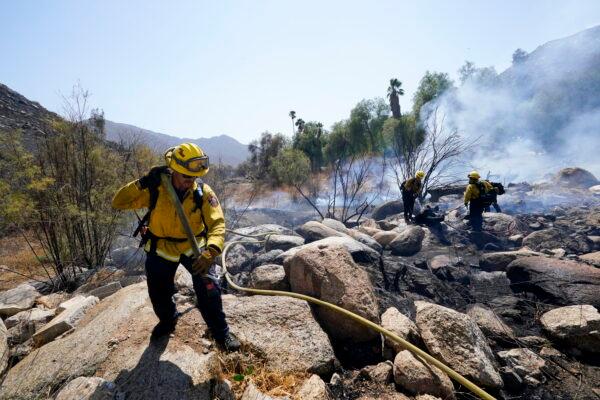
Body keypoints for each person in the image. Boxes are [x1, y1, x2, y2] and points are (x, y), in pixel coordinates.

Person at [112, 142, 240, 351]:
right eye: (186, 177)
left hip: (195, 247)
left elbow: (217, 224)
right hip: (161, 247)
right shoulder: (156, 189)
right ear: (175, 171)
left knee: (209, 290)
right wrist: (142, 182)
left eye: (195, 177)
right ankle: (168, 320)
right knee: (158, 292)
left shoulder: (203, 193)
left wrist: (211, 251)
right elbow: (119, 202)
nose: (191, 182)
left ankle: (221, 333)